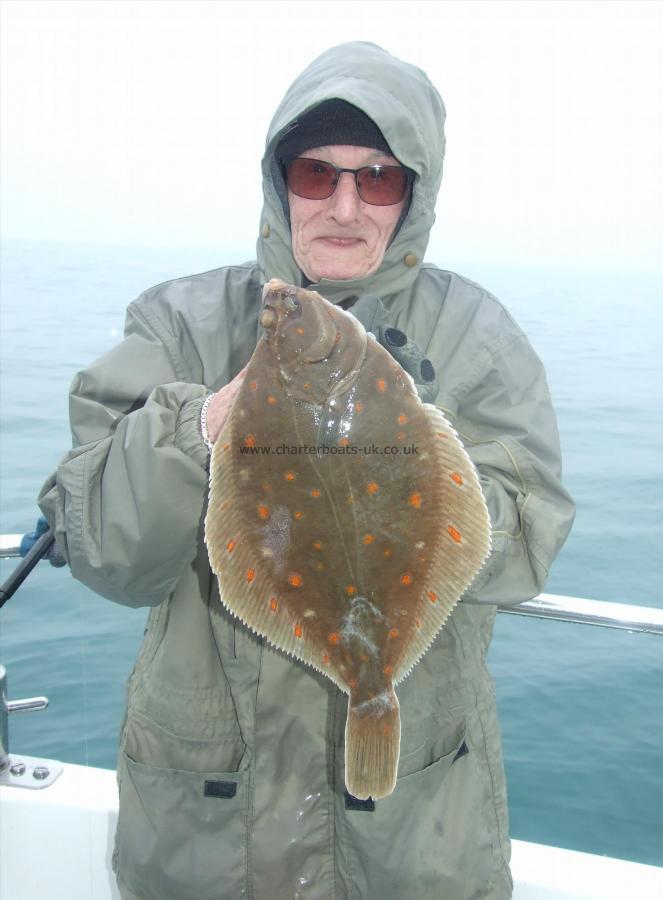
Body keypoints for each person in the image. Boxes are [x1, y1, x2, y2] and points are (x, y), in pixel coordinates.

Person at [38, 41, 575, 900]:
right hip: (206, 823)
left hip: (414, 831)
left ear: (414, 196)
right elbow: (104, 548)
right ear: (278, 180)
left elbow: (527, 537)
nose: (346, 206)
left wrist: (407, 470)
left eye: (379, 178)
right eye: (317, 174)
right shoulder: (178, 325)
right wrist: (209, 419)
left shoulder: (476, 335)